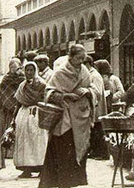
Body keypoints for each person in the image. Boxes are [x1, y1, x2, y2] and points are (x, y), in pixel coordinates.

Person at [39, 44, 96, 188]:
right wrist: (65, 95)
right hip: (64, 119)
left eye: (83, 58)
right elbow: (49, 93)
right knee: (63, 152)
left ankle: (75, 181)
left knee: (78, 149)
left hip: (81, 117)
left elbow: (92, 88)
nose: (81, 62)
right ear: (70, 57)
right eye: (78, 58)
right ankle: (62, 183)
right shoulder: (59, 73)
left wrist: (87, 91)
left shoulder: (84, 72)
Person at [13, 61, 49, 178]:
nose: (29, 72)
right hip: (24, 113)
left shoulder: (42, 84)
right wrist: (14, 118)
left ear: (35, 71)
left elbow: (45, 99)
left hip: (37, 114)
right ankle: (26, 168)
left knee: (37, 141)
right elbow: (18, 102)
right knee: (24, 142)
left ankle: (41, 167)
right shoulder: (22, 86)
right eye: (27, 70)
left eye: (31, 70)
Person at [0, 58, 24, 159]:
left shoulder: (23, 79)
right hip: (5, 111)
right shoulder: (4, 79)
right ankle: (6, 152)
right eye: (12, 67)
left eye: (16, 68)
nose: (14, 69)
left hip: (19, 108)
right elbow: (2, 93)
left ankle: (13, 152)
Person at [86, 56, 110, 160]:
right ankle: (96, 152)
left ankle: (102, 153)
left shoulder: (95, 75)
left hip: (97, 107)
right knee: (95, 130)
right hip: (94, 106)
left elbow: (97, 92)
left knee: (98, 130)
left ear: (88, 63)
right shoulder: (90, 74)